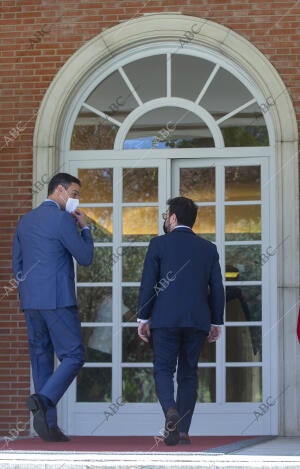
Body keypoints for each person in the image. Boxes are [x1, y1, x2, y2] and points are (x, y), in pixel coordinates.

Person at [12, 173, 94, 442]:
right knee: (74, 355)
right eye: (73, 193)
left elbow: (18, 265)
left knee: (41, 359)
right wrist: (85, 228)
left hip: (31, 302)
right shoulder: (61, 220)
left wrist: (28, 294)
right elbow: (84, 257)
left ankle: (48, 428)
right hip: (57, 300)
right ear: (58, 190)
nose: (75, 199)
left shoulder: (25, 220)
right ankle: (44, 399)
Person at [137, 196, 224, 446]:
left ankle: (170, 411)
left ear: (173, 218)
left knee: (163, 369)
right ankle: (183, 431)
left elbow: (148, 284)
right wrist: (216, 321)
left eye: (166, 215)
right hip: (197, 321)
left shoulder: (158, 245)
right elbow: (217, 288)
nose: (165, 219)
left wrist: (143, 317)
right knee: (188, 373)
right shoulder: (208, 248)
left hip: (164, 320)